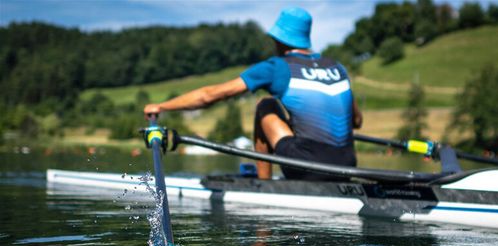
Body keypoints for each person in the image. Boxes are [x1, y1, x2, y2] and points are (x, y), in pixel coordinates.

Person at [144, 7, 362, 180]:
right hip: (347, 165)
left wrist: (162, 107)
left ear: (279, 39)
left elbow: (210, 96)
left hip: (306, 168)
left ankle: (263, 183)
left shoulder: (277, 67)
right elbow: (356, 121)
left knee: (266, 105)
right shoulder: (336, 67)